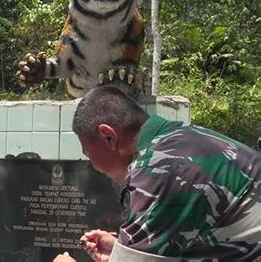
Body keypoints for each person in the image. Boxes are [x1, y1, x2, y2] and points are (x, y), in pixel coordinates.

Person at [60, 86, 261, 261]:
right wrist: (124, 252)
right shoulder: (180, 138)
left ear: (108, 137)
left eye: (87, 153)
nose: (95, 166)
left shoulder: (159, 169)